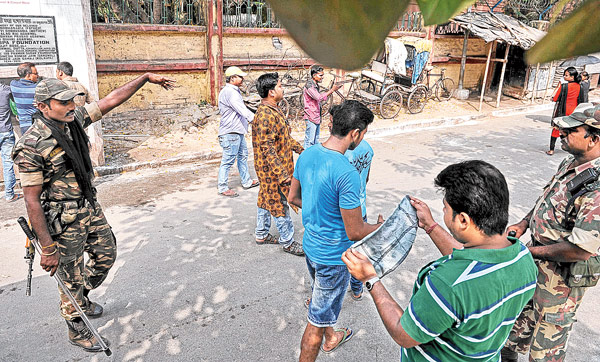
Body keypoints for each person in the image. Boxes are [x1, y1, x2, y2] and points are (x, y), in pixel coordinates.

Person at [12, 74, 175, 352]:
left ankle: (81, 295)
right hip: (62, 221)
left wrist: (146, 78)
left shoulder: (73, 121)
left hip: (88, 207)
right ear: (43, 107)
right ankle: (75, 325)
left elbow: (112, 100)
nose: (70, 105)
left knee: (106, 255)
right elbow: (31, 201)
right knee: (70, 275)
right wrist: (48, 247)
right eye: (62, 102)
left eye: (71, 99)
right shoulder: (31, 145)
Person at [343, 160, 538, 362]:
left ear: (463, 220)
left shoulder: (447, 284)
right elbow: (473, 260)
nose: (443, 212)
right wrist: (430, 226)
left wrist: (370, 279)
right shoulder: (523, 259)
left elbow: (404, 334)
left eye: (445, 208)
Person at [502, 102, 600, 362]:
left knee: (544, 355)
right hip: (535, 267)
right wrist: (524, 224)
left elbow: (580, 249)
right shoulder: (572, 162)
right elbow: (548, 197)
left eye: (571, 131)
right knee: (508, 337)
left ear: (594, 140)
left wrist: (529, 252)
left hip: (560, 283)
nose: (562, 135)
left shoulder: (598, 187)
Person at [288, 100, 383, 362]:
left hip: (311, 248)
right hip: (333, 257)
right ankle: (323, 339)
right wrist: (381, 226)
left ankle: (332, 336)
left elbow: (293, 198)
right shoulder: (346, 172)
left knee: (321, 298)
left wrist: (319, 209)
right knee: (315, 322)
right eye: (364, 133)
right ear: (355, 133)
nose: (363, 138)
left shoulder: (308, 154)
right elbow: (355, 231)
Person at [252, 72, 304, 256]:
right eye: (280, 86)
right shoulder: (265, 115)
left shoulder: (273, 109)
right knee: (279, 203)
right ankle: (288, 241)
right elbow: (268, 149)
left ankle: (261, 233)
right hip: (272, 172)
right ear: (271, 92)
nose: (283, 89)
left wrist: (302, 151)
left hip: (273, 170)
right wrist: (283, 176)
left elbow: (284, 139)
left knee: (265, 198)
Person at [342, 108, 374, 301]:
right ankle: (356, 289)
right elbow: (367, 177)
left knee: (341, 253)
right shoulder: (368, 148)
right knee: (357, 251)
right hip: (360, 208)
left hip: (345, 212)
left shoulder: (342, 152)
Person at [217, 66, 259, 197]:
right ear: (233, 78)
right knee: (228, 160)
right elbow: (241, 109)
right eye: (240, 76)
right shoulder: (231, 92)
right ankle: (222, 186)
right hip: (231, 132)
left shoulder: (232, 91)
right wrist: (255, 120)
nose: (242, 79)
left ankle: (246, 181)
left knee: (243, 156)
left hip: (237, 131)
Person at [302, 65, 341, 149]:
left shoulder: (315, 85)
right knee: (309, 141)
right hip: (311, 116)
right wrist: (332, 90)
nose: (322, 77)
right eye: (320, 75)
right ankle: (305, 159)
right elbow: (318, 97)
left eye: (322, 75)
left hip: (316, 116)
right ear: (314, 75)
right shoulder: (309, 86)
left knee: (315, 140)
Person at [548, 67, 584, 156]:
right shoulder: (580, 87)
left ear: (572, 77)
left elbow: (556, 98)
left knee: (556, 129)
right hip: (574, 113)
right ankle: (573, 149)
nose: (564, 76)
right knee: (571, 130)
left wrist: (552, 98)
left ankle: (551, 150)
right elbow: (582, 101)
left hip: (562, 112)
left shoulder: (564, 86)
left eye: (566, 75)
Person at [0, 81, 21, 202]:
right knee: (8, 163)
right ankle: (9, 195)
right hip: (6, 131)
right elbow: (16, 102)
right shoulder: (7, 90)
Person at [10, 62, 39, 135]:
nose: (38, 76)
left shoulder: (13, 85)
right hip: (37, 125)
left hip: (24, 125)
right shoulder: (38, 88)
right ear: (28, 75)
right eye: (35, 74)